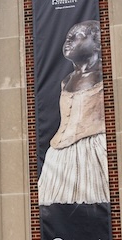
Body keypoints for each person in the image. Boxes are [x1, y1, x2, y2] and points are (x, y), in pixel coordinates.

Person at [37, 20, 108, 206]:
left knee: (93, 204)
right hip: (59, 156)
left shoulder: (106, 75)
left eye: (76, 36)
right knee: (52, 207)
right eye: (67, 37)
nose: (68, 41)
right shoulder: (66, 80)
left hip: (91, 152)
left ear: (97, 43)